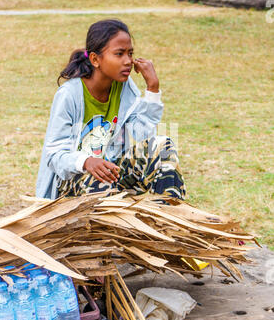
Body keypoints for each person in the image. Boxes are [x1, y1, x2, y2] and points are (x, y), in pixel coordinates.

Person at [36, 19, 186, 202]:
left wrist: (152, 90)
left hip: (112, 175)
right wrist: (86, 162)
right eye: (119, 54)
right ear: (95, 59)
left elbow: (142, 137)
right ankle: (104, 226)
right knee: (97, 177)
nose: (128, 61)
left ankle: (166, 219)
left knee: (163, 146)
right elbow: (54, 155)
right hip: (73, 183)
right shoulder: (69, 95)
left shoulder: (125, 89)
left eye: (130, 53)